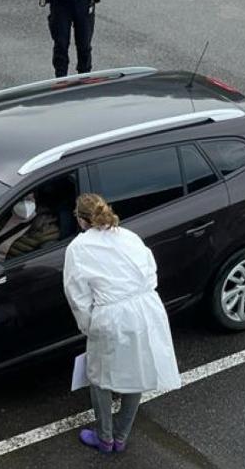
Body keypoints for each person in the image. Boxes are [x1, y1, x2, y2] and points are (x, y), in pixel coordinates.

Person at [63, 193, 180, 455]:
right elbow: (150, 269)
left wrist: (88, 325)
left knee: (100, 376)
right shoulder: (128, 236)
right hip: (146, 308)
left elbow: (77, 295)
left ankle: (104, 437)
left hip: (111, 314)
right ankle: (121, 435)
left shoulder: (78, 249)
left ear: (81, 220)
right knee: (138, 370)